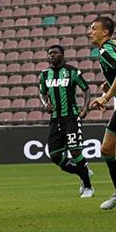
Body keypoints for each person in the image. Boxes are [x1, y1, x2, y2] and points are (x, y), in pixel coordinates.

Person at [39, 45, 94, 198]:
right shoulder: (44, 75)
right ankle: (83, 172)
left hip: (71, 117)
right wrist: (45, 103)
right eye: (49, 53)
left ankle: (88, 187)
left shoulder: (72, 72)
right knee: (55, 156)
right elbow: (42, 93)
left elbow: (86, 89)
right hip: (55, 118)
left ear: (62, 55)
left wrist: (85, 108)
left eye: (55, 53)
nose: (51, 55)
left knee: (75, 151)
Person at [89, 16, 116, 210]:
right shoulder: (111, 46)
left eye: (94, 28)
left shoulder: (107, 49)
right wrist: (108, 84)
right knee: (107, 149)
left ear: (105, 32)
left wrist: (106, 97)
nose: (90, 32)